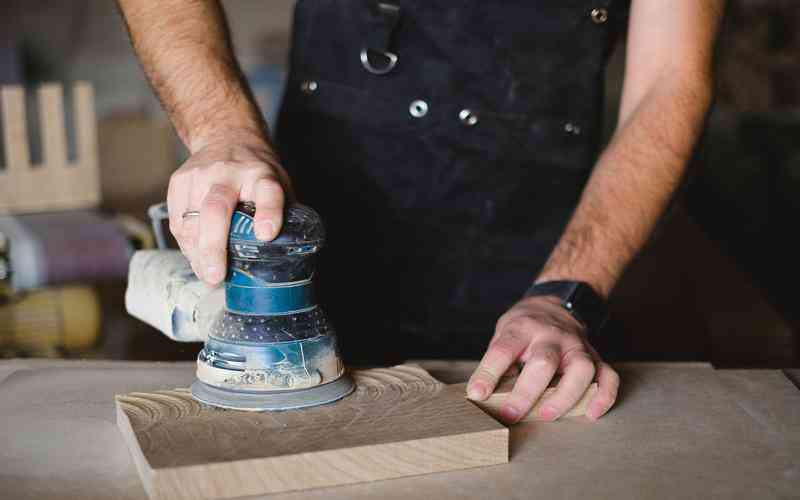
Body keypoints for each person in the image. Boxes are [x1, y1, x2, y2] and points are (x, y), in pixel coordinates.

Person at [117, 0, 724, 424]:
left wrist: (564, 295)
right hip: (328, 235)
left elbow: (670, 81)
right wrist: (224, 132)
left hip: (534, 266)